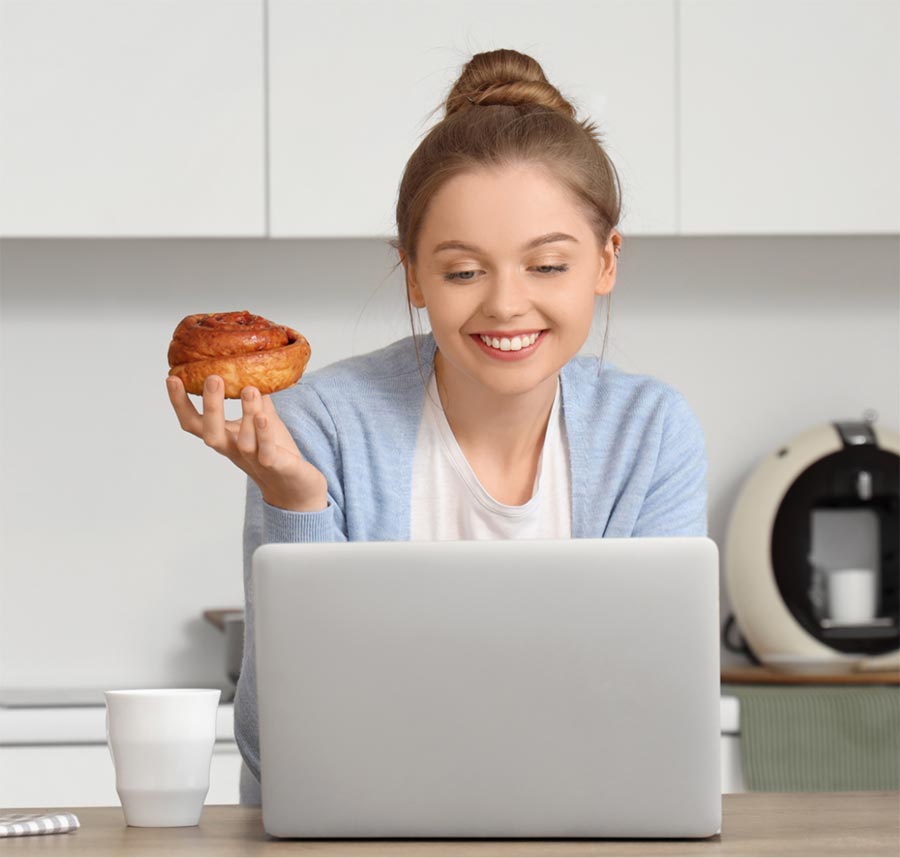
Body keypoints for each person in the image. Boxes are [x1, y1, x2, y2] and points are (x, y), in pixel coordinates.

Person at [166, 48, 708, 806]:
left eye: (547, 266)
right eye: (463, 272)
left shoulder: (649, 432)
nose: (506, 305)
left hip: (589, 827)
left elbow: (662, 718)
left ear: (606, 260)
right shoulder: (321, 426)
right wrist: (298, 501)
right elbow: (278, 750)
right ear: (414, 275)